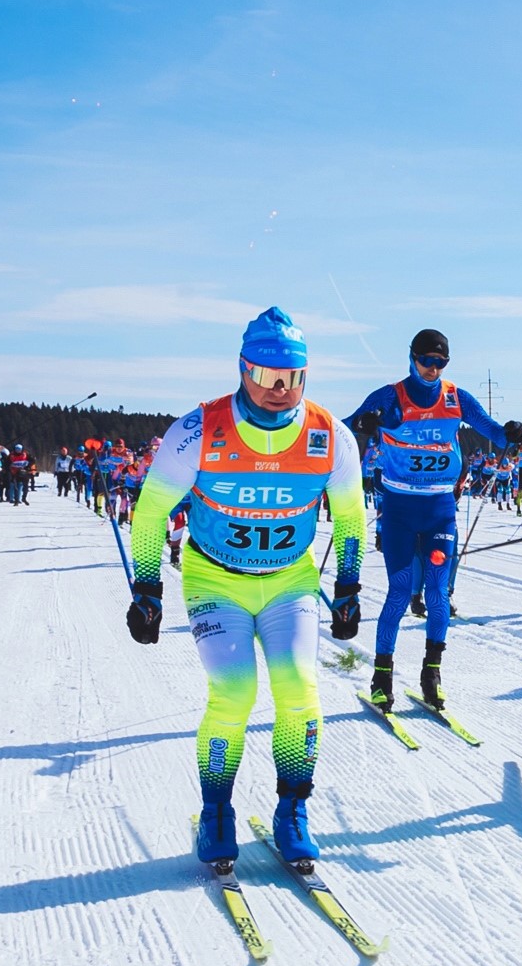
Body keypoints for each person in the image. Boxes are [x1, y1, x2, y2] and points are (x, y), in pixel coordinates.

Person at [127, 307, 366, 870]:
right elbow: (150, 511)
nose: (280, 391)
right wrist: (147, 586)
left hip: (290, 579)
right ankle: (216, 811)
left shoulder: (330, 435)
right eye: (267, 377)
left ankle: (293, 811)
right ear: (242, 370)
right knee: (234, 694)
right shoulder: (198, 431)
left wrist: (350, 584)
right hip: (216, 579)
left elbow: (352, 518)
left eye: (293, 379)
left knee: (299, 689)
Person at [343, 327, 522, 714]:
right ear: (412, 358)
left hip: (440, 506)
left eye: (440, 362)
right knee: (399, 588)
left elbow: (490, 429)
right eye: (427, 361)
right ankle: (382, 675)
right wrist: (364, 424)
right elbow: (346, 428)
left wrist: (509, 434)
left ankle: (432, 673)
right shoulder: (390, 396)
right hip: (399, 509)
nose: (433, 368)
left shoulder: (455, 397)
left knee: (438, 591)